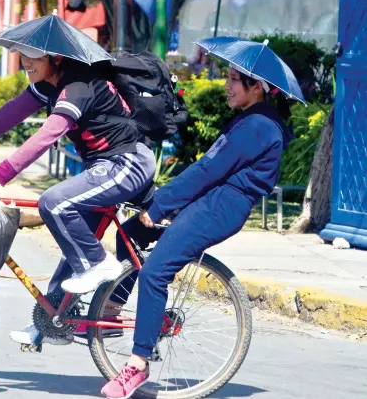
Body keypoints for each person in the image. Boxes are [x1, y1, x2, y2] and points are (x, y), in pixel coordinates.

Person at [100, 66, 294, 399]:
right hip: (209, 197)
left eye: (234, 80)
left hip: (220, 207)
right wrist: (158, 199)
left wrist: (159, 208)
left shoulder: (259, 126)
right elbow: (206, 169)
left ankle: (138, 364)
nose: (226, 85)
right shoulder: (250, 119)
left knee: (155, 272)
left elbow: (209, 170)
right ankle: (113, 315)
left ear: (257, 87)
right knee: (128, 236)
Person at [0, 44, 156, 347]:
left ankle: (100, 264)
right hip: (101, 167)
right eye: (22, 55)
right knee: (74, 241)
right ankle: (49, 321)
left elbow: (48, 134)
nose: (24, 62)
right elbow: (14, 112)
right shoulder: (49, 84)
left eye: (32, 56)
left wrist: (1, 172)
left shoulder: (78, 85)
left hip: (127, 163)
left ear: (55, 56)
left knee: (54, 203)